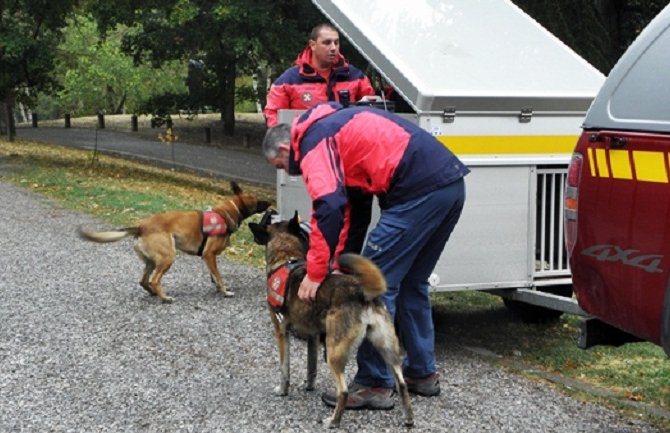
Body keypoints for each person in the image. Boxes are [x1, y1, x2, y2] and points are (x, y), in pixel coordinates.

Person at [262, 101, 469, 410]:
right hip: (449, 186)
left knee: (374, 286)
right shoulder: (334, 128)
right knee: (412, 282)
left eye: (280, 164)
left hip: (417, 192)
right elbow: (351, 211)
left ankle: (374, 382)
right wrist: (336, 263)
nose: (287, 170)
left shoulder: (313, 141)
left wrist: (315, 273)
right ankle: (421, 373)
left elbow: (327, 206)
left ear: (283, 146)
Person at [263, 23, 376, 128]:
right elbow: (273, 116)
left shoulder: (356, 77)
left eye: (336, 43)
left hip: (346, 144)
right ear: (312, 45)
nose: (333, 48)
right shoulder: (288, 80)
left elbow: (373, 113)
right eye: (327, 43)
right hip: (306, 145)